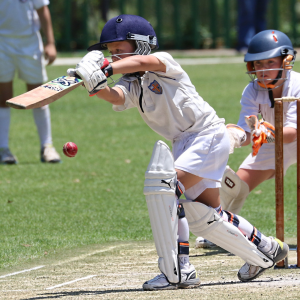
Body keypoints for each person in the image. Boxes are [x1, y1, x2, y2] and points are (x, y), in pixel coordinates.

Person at [67, 15, 288, 290]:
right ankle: (267, 249)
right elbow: (117, 97)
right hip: (186, 143)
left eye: (119, 50)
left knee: (165, 189)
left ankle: (180, 270)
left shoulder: (163, 62)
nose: (114, 56)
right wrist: (95, 85)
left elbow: (142, 62)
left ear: (141, 45)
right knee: (207, 216)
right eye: (110, 52)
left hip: (206, 135)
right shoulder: (133, 84)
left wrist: (105, 67)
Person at [217, 30, 297, 218]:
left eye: (270, 62)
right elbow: (246, 132)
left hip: (290, 138)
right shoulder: (251, 90)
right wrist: (231, 137)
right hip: (272, 141)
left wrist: (264, 132)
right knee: (234, 189)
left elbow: (292, 134)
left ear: (286, 62)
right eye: (258, 63)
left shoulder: (298, 85)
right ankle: (220, 230)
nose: (263, 69)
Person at [0, 0, 61, 164]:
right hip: (2, 42)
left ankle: (47, 146)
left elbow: (42, 10)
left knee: (39, 97)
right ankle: (3, 149)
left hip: (30, 43)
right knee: (3, 98)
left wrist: (50, 43)